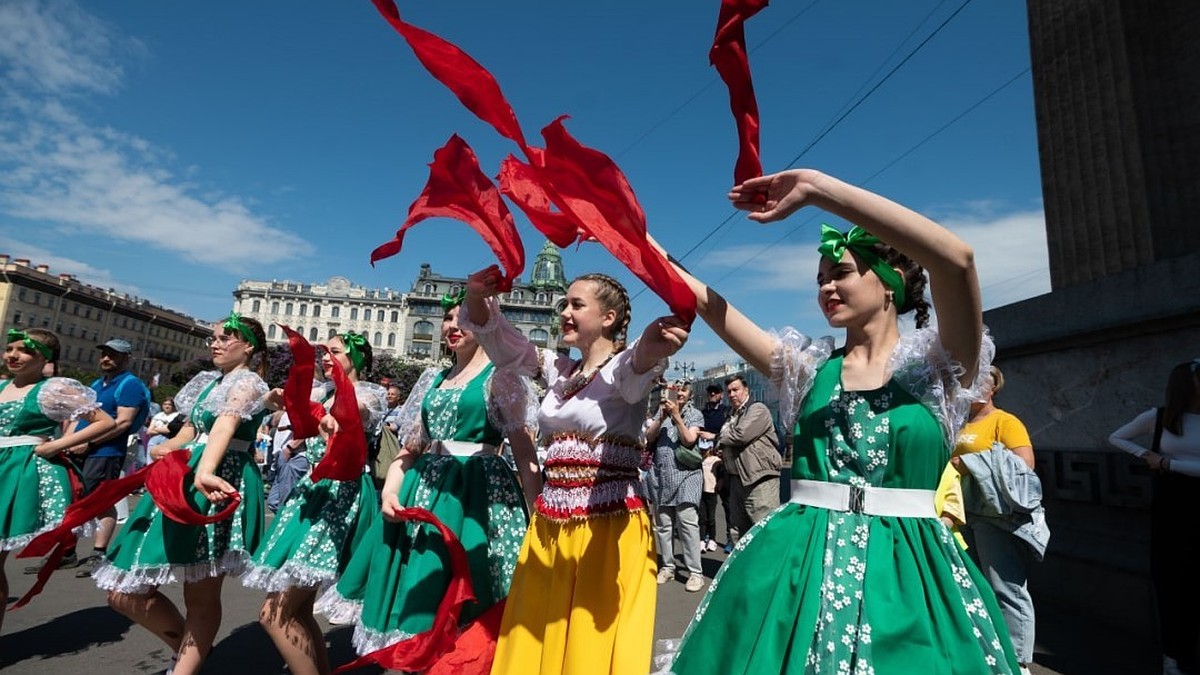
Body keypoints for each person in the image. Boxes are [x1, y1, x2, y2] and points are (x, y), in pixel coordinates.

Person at [661, 168, 1019, 674]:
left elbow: (956, 260)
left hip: (907, 569)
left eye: (841, 272)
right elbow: (709, 305)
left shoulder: (940, 370)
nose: (826, 286)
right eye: (820, 279)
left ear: (890, 282)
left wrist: (817, 190)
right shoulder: (808, 370)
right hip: (795, 563)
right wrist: (632, 238)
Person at [463, 268, 689, 675]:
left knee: (590, 644)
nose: (564, 312)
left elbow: (638, 362)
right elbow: (505, 345)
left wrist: (655, 347)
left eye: (576, 304)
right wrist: (477, 298)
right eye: (563, 304)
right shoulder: (559, 370)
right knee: (536, 632)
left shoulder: (622, 370)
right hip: (551, 524)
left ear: (609, 317)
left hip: (606, 528)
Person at [316, 292, 538, 671]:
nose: (452, 326)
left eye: (465, 318)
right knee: (421, 593)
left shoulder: (502, 377)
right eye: (449, 318)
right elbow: (411, 448)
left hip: (477, 496)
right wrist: (390, 489)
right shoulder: (432, 378)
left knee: (472, 597)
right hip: (425, 493)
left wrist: (539, 518)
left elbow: (523, 451)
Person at [95, 314, 271, 675]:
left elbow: (226, 423)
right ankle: (191, 651)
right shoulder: (208, 383)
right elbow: (191, 430)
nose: (215, 343)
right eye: (213, 337)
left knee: (201, 593)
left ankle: (185, 666)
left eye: (226, 338)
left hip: (220, 476)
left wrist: (206, 469)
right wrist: (167, 448)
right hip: (184, 478)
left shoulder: (250, 382)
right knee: (125, 591)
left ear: (248, 346)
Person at [244, 332, 387, 675]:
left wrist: (328, 415)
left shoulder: (367, 393)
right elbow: (281, 415)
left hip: (340, 495)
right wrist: (277, 399)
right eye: (323, 351)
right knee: (298, 611)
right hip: (312, 494)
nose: (325, 357)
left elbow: (356, 412)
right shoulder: (322, 392)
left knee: (274, 615)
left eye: (334, 352)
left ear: (357, 358)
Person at [0, 328, 116, 633]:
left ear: (43, 358)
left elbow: (105, 421)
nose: (12, 355)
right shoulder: (1, 387)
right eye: (9, 348)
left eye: (22, 351)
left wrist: (55, 444)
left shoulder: (52, 389)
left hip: (18, 471)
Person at [948, 365, 1043, 675]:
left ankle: (1019, 661)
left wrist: (969, 462)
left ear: (992, 390)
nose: (973, 389)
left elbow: (1024, 464)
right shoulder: (959, 421)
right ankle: (989, 648)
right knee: (976, 584)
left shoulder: (1005, 421)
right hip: (965, 513)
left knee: (1007, 587)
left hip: (996, 516)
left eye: (980, 384)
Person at [1109, 360, 1200, 675]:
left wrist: (1166, 464)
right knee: (1173, 582)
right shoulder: (1160, 417)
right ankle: (1172, 655)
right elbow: (1117, 437)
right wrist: (1145, 456)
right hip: (1173, 508)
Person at [63, 338, 152, 578]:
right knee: (72, 500)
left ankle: (98, 553)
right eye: (104, 354)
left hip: (106, 452)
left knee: (99, 502)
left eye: (113, 355)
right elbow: (79, 415)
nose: (106, 358)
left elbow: (122, 422)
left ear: (126, 358)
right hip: (80, 449)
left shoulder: (130, 384)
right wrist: (68, 442)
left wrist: (90, 443)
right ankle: (66, 552)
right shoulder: (96, 383)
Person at [644, 379, 706, 592]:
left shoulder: (695, 415)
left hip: (687, 476)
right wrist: (661, 416)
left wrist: (677, 417)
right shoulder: (660, 413)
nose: (679, 393)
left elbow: (689, 440)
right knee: (663, 525)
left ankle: (695, 573)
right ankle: (668, 567)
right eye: (675, 389)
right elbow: (648, 438)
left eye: (683, 390)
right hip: (661, 476)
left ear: (689, 395)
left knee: (688, 523)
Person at [717, 374, 782, 544]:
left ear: (746, 390)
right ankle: (742, 569)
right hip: (737, 478)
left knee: (763, 527)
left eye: (735, 390)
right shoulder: (732, 414)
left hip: (759, 478)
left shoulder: (757, 409)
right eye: (728, 391)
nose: (731, 394)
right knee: (738, 530)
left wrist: (719, 437)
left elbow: (740, 435)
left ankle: (768, 569)